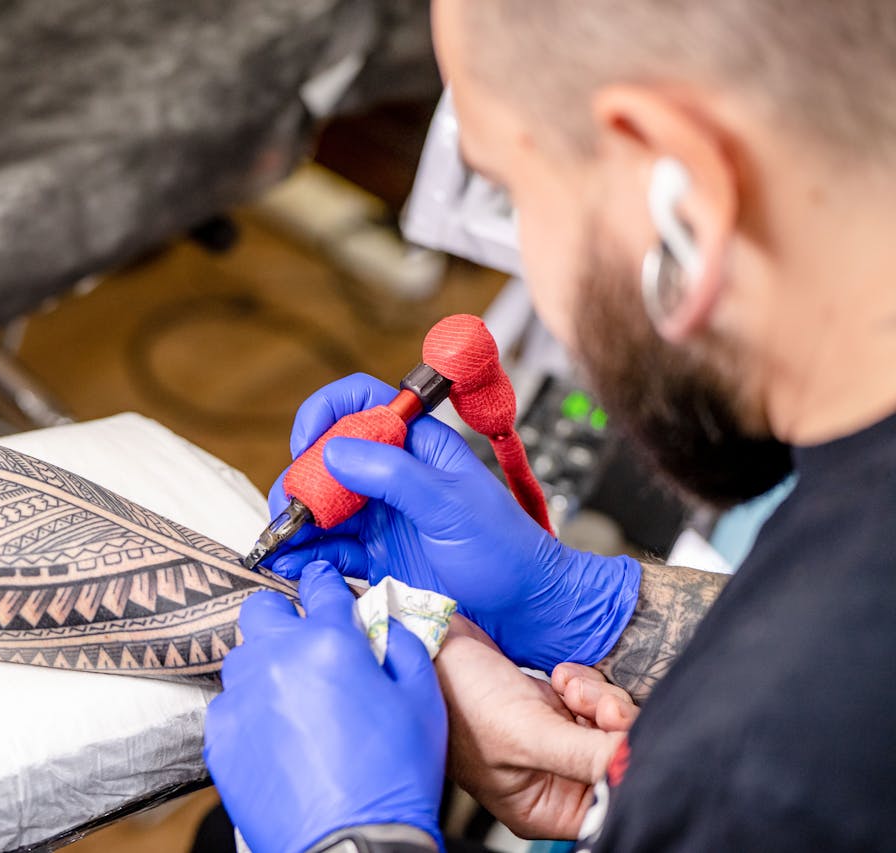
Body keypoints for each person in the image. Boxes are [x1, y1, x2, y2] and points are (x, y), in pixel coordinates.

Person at [204, 2, 896, 851]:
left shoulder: (748, 783)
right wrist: (594, 610)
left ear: (686, 195)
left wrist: (357, 839)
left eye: (514, 189)